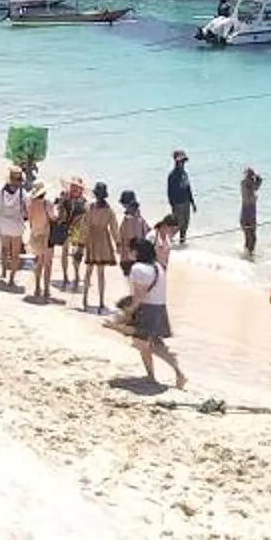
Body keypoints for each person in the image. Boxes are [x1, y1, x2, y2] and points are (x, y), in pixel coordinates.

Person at [121, 238, 188, 389]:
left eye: (131, 249)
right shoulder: (158, 266)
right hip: (160, 308)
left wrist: (130, 310)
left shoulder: (138, 268)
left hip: (147, 309)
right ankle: (175, 373)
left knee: (143, 344)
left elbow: (140, 295)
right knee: (153, 344)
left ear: (137, 252)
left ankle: (155, 375)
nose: (129, 252)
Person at [79, 182, 119, 311]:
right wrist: (118, 243)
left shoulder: (90, 208)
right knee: (101, 273)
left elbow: (84, 227)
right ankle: (101, 301)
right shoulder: (109, 210)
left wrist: (81, 244)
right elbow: (114, 229)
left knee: (88, 270)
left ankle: (85, 298)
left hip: (92, 238)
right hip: (104, 239)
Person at [0, 168, 31, 290]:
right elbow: (25, 213)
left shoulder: (1, 192)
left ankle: (3, 272)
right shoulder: (23, 194)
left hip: (3, 224)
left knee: (4, 249)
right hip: (16, 226)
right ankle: (12, 278)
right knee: (15, 253)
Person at [22, 181, 54, 302]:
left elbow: (28, 218)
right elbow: (53, 217)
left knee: (38, 263)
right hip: (46, 237)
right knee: (47, 265)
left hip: (34, 235)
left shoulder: (30, 204)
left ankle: (37, 287)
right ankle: (46, 289)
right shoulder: (47, 204)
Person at [165, 150, 195, 247]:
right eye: (181, 161)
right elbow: (169, 192)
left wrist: (192, 202)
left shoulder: (184, 174)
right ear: (176, 162)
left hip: (186, 203)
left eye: (184, 161)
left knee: (185, 225)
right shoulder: (172, 176)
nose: (183, 164)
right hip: (178, 204)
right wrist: (173, 205)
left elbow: (188, 189)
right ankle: (166, 241)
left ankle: (182, 242)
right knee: (177, 225)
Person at [238, 166, 262, 257]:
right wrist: (251, 176)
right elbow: (249, 185)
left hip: (251, 215)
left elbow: (259, 182)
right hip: (246, 215)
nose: (251, 179)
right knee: (249, 237)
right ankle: (247, 256)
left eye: (251, 177)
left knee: (253, 238)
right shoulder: (244, 185)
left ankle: (249, 256)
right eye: (249, 177)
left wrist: (256, 177)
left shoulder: (251, 187)